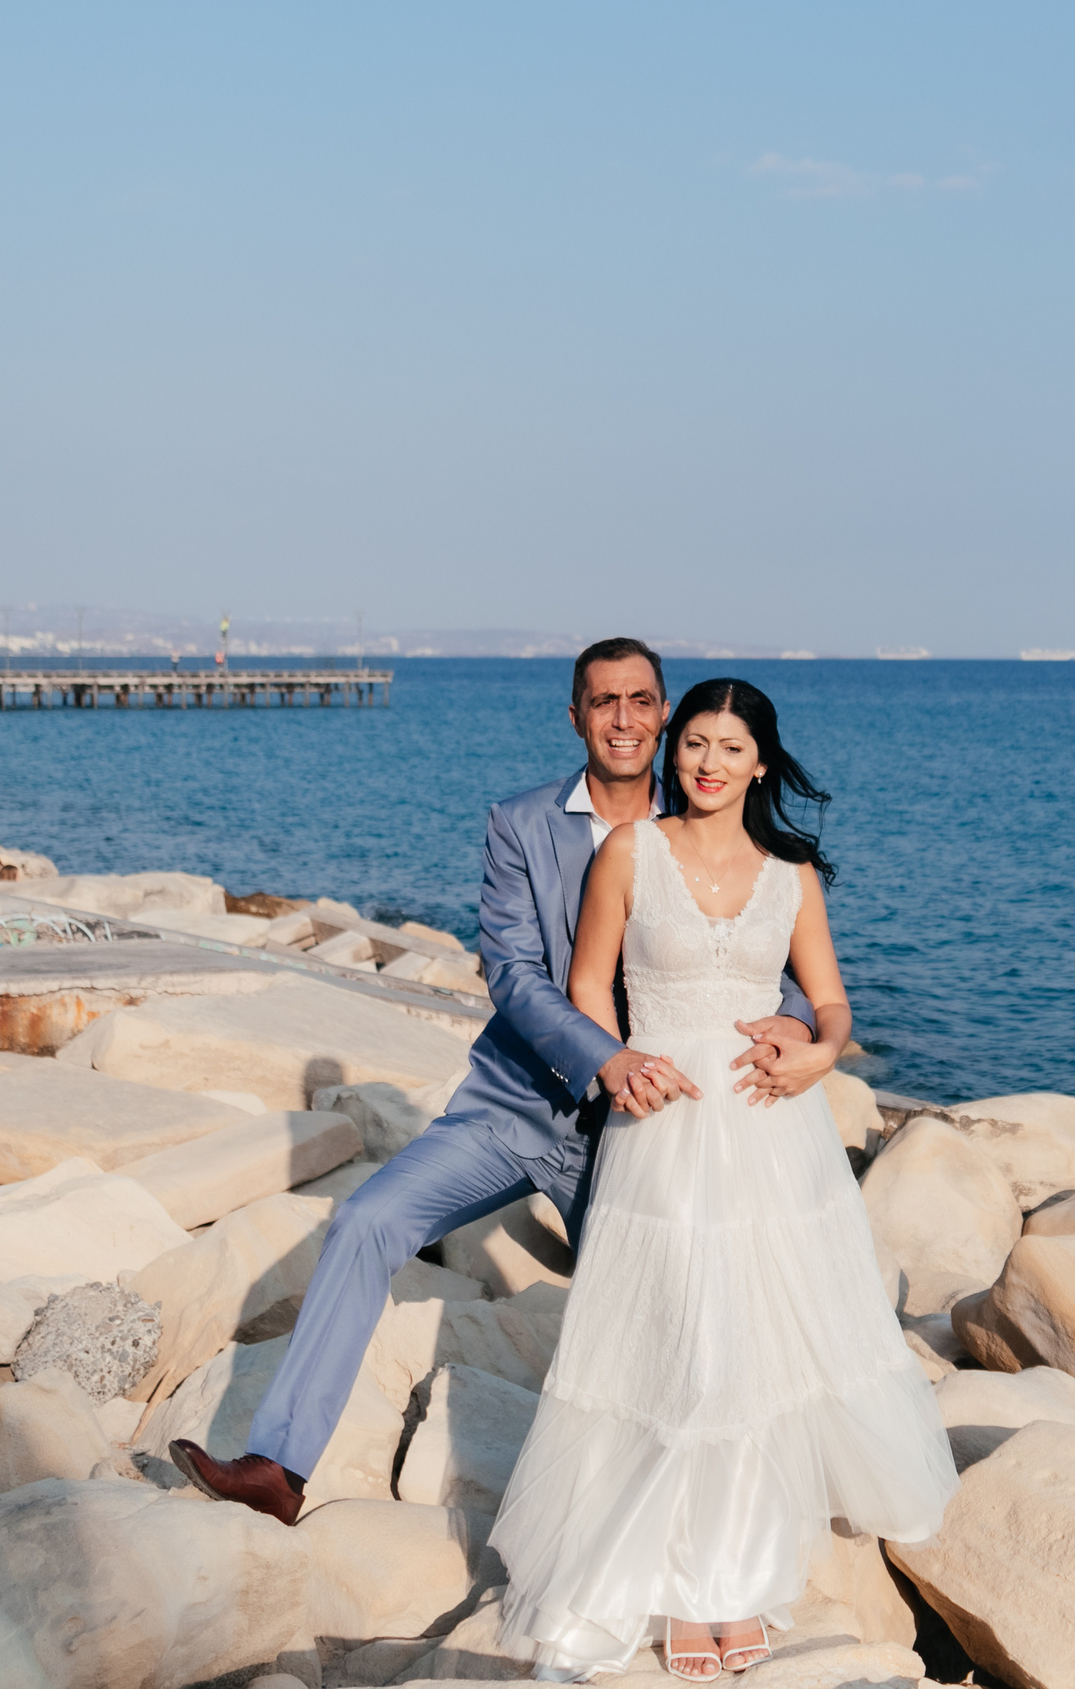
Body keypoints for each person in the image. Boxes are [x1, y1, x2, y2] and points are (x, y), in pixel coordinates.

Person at [168, 639, 821, 1523]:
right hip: (516, 1105)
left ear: (666, 713)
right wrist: (605, 1057)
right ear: (576, 716)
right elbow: (513, 974)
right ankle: (278, 1467)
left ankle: (705, 1510)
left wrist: (802, 1019)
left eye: (640, 701)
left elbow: (759, 945)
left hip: (649, 1132)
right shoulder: (518, 823)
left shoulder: (705, 808)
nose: (623, 719)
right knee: (367, 1219)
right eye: (603, 702)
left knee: (676, 1310)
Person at [488, 677, 957, 1684]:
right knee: (672, 1346)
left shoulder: (791, 874)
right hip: (660, 1127)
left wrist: (820, 1054)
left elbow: (830, 1004)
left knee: (748, 1354)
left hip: (768, 1132)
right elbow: (584, 984)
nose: (705, 761)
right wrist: (618, 1064)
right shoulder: (632, 850)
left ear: (760, 762)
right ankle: (663, 1576)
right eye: (693, 741)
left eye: (728, 747)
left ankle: (730, 1586)